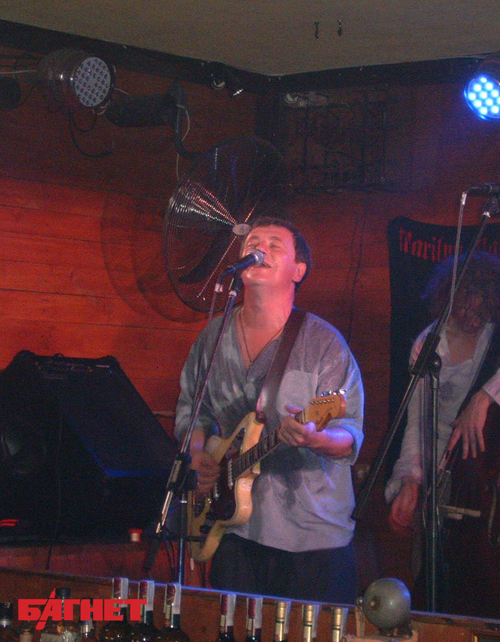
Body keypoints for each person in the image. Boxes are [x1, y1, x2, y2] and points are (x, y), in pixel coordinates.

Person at [174, 216, 364, 603]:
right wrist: (198, 456)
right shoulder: (213, 335)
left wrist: (316, 439)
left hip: (310, 537)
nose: (260, 247)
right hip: (233, 529)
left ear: (298, 271)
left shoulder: (324, 343)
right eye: (253, 242)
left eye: (275, 244)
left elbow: (349, 434)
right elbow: (193, 411)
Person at [385, 251, 500, 532]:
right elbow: (417, 424)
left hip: (484, 468)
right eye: (467, 302)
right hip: (440, 467)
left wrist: (484, 395)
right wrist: (410, 480)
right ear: (449, 295)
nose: (475, 313)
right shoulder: (428, 345)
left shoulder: (493, 337)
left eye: (483, 305)